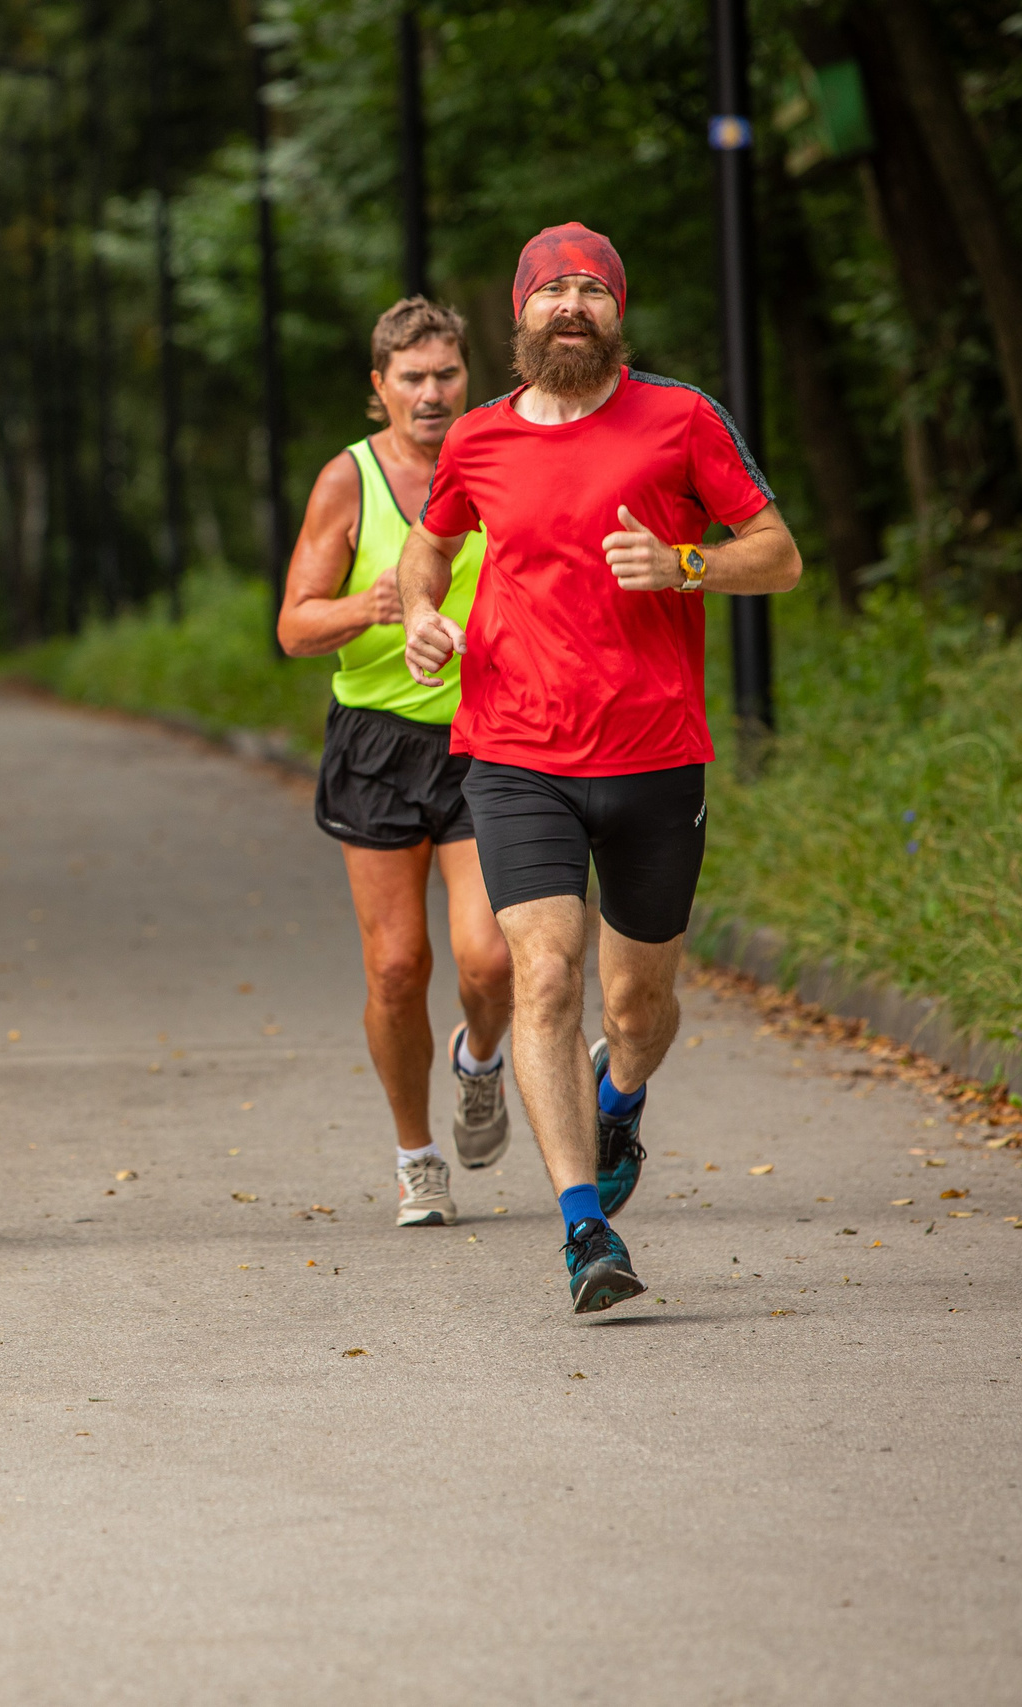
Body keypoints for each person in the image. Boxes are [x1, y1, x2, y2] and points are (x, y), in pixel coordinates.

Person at [396, 223, 802, 1313]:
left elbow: (778, 554)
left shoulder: (681, 418)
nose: (570, 305)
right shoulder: (477, 438)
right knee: (543, 975)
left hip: (654, 753)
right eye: (551, 290)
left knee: (636, 1008)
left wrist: (684, 564)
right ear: (520, 314)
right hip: (514, 750)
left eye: (592, 289)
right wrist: (423, 612)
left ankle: (618, 1097)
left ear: (618, 312)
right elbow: (431, 541)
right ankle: (585, 1230)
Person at [276, 297, 512, 1231]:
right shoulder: (350, 480)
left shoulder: (499, 459)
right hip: (376, 743)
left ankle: (480, 1061)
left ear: (468, 376)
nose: (431, 393)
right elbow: (294, 625)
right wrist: (367, 607)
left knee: (489, 957)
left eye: (446, 374)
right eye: (411, 378)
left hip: (485, 736)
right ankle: (418, 1157)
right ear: (380, 387)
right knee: (397, 967)